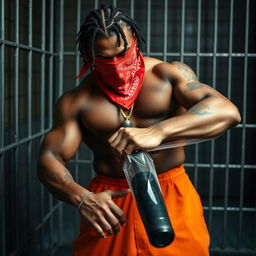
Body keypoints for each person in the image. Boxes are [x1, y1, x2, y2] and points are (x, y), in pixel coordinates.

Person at [37, 5, 241, 256]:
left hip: (170, 190)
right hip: (111, 200)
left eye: (123, 54)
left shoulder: (168, 75)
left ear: (136, 42)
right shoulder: (78, 100)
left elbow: (227, 112)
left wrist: (159, 131)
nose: (116, 66)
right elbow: (50, 158)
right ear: (89, 56)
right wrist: (81, 198)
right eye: (104, 59)